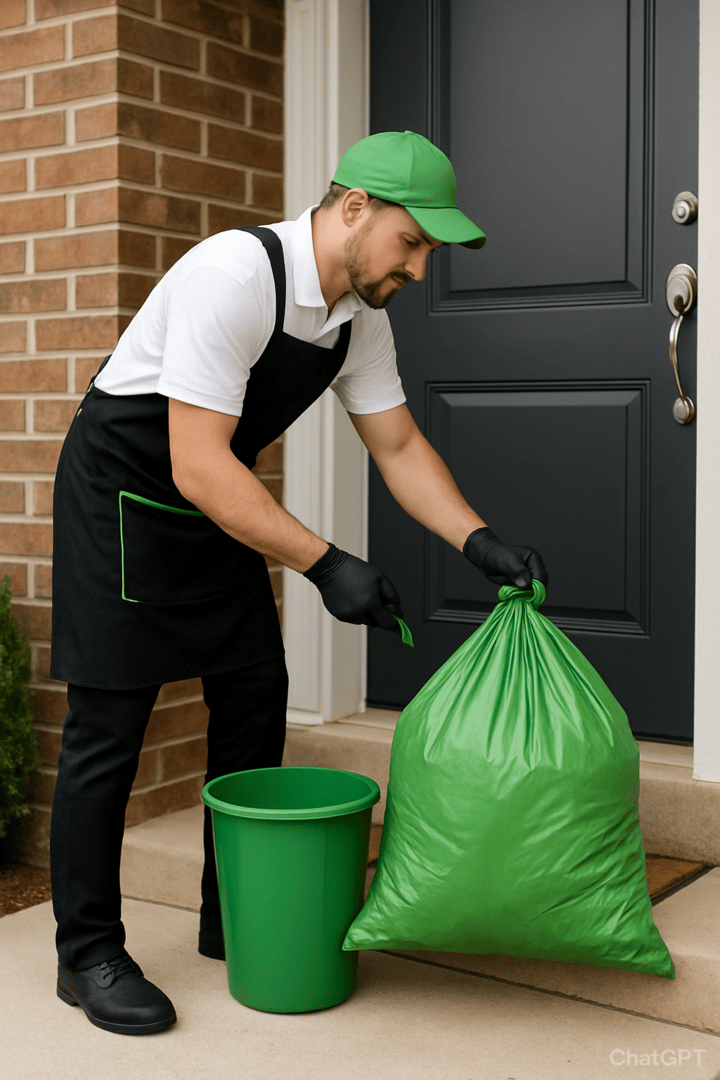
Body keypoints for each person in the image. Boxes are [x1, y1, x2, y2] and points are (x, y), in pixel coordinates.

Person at [49, 130, 548, 1035]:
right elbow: (197, 463)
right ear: (353, 207)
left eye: (429, 251)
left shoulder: (360, 317)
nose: (418, 268)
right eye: (412, 242)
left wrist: (479, 542)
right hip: (121, 498)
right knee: (107, 730)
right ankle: (86, 951)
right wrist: (325, 563)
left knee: (253, 693)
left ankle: (229, 916)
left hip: (210, 501)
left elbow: (396, 446)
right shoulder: (234, 276)